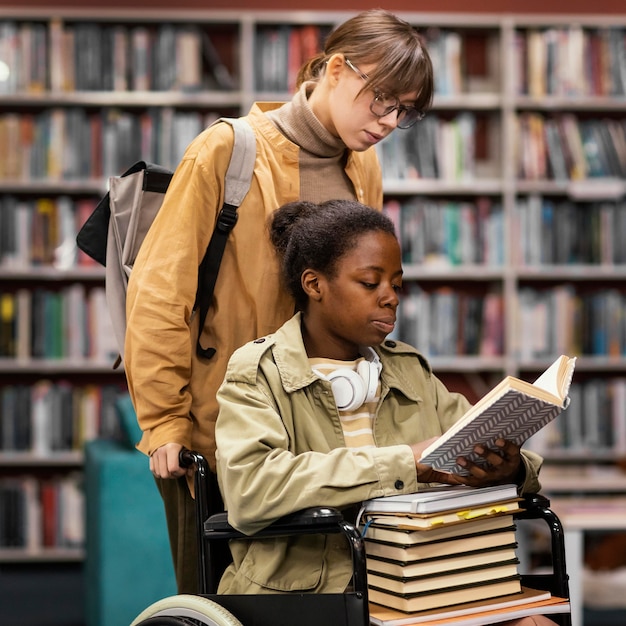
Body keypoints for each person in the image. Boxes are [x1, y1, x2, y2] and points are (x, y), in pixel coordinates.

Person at [124, 8, 434, 593]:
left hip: (330, 424)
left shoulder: (362, 161)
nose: (389, 122)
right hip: (228, 423)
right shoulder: (227, 151)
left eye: (404, 112)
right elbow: (161, 291)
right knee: (228, 590)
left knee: (335, 588)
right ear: (337, 69)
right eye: (381, 101)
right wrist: (164, 421)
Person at [214, 199, 559, 626]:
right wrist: (407, 462)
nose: (390, 298)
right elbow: (252, 490)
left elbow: (475, 436)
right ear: (314, 285)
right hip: (318, 594)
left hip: (424, 582)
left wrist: (507, 469)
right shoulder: (257, 373)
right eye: (369, 282)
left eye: (396, 284)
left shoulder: (408, 369)